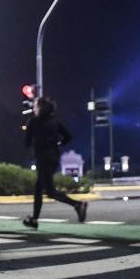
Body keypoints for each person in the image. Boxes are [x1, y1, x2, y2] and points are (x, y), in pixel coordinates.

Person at [22, 97, 87, 229]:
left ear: (40, 107)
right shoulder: (54, 121)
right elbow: (68, 137)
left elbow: (27, 143)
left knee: (50, 191)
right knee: (38, 188)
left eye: (35, 106)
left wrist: (28, 129)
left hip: (42, 158)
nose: (33, 108)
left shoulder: (34, 121)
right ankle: (34, 219)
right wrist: (58, 143)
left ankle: (77, 205)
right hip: (54, 157)